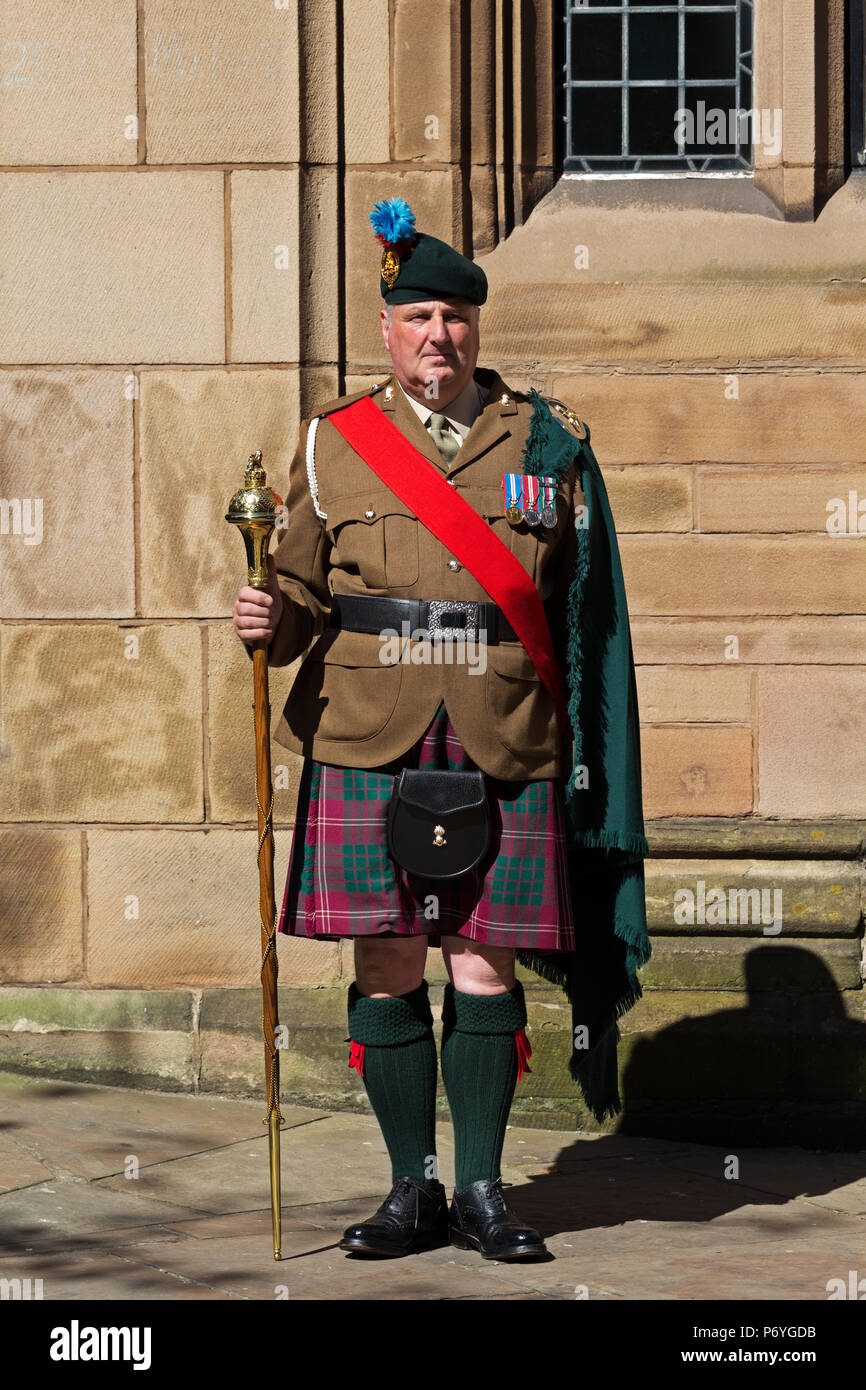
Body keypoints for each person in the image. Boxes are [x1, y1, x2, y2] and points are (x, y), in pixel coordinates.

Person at [233, 197, 650, 1261]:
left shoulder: (544, 441)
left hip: (499, 726)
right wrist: (271, 616)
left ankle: (479, 1193)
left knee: (483, 960)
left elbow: (582, 608)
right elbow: (300, 585)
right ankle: (407, 1191)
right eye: (416, 316)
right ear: (387, 329)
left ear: (476, 327)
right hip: (368, 724)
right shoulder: (334, 443)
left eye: (454, 318)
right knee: (384, 962)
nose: (436, 336)